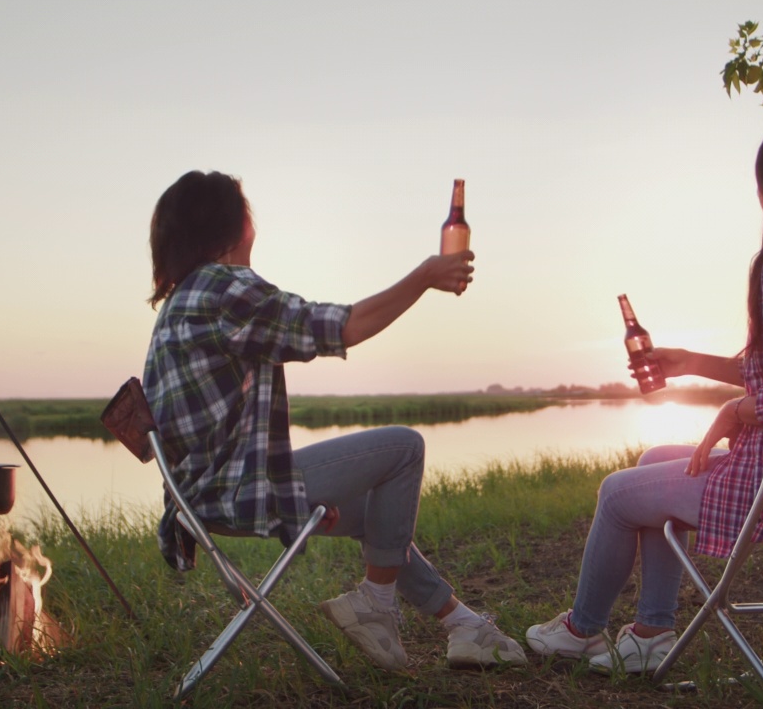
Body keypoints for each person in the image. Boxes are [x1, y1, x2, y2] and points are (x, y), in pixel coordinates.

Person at [526, 119, 763, 674]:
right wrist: (689, 364)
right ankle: (652, 631)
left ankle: (579, 630)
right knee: (656, 461)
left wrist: (735, 410)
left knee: (615, 495)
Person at [141, 170, 527, 671]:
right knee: (405, 447)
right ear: (235, 225)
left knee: (378, 516)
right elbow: (340, 327)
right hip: (232, 492)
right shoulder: (224, 289)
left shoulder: (181, 302)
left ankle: (462, 625)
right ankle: (375, 606)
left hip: (197, 498)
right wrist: (424, 277)